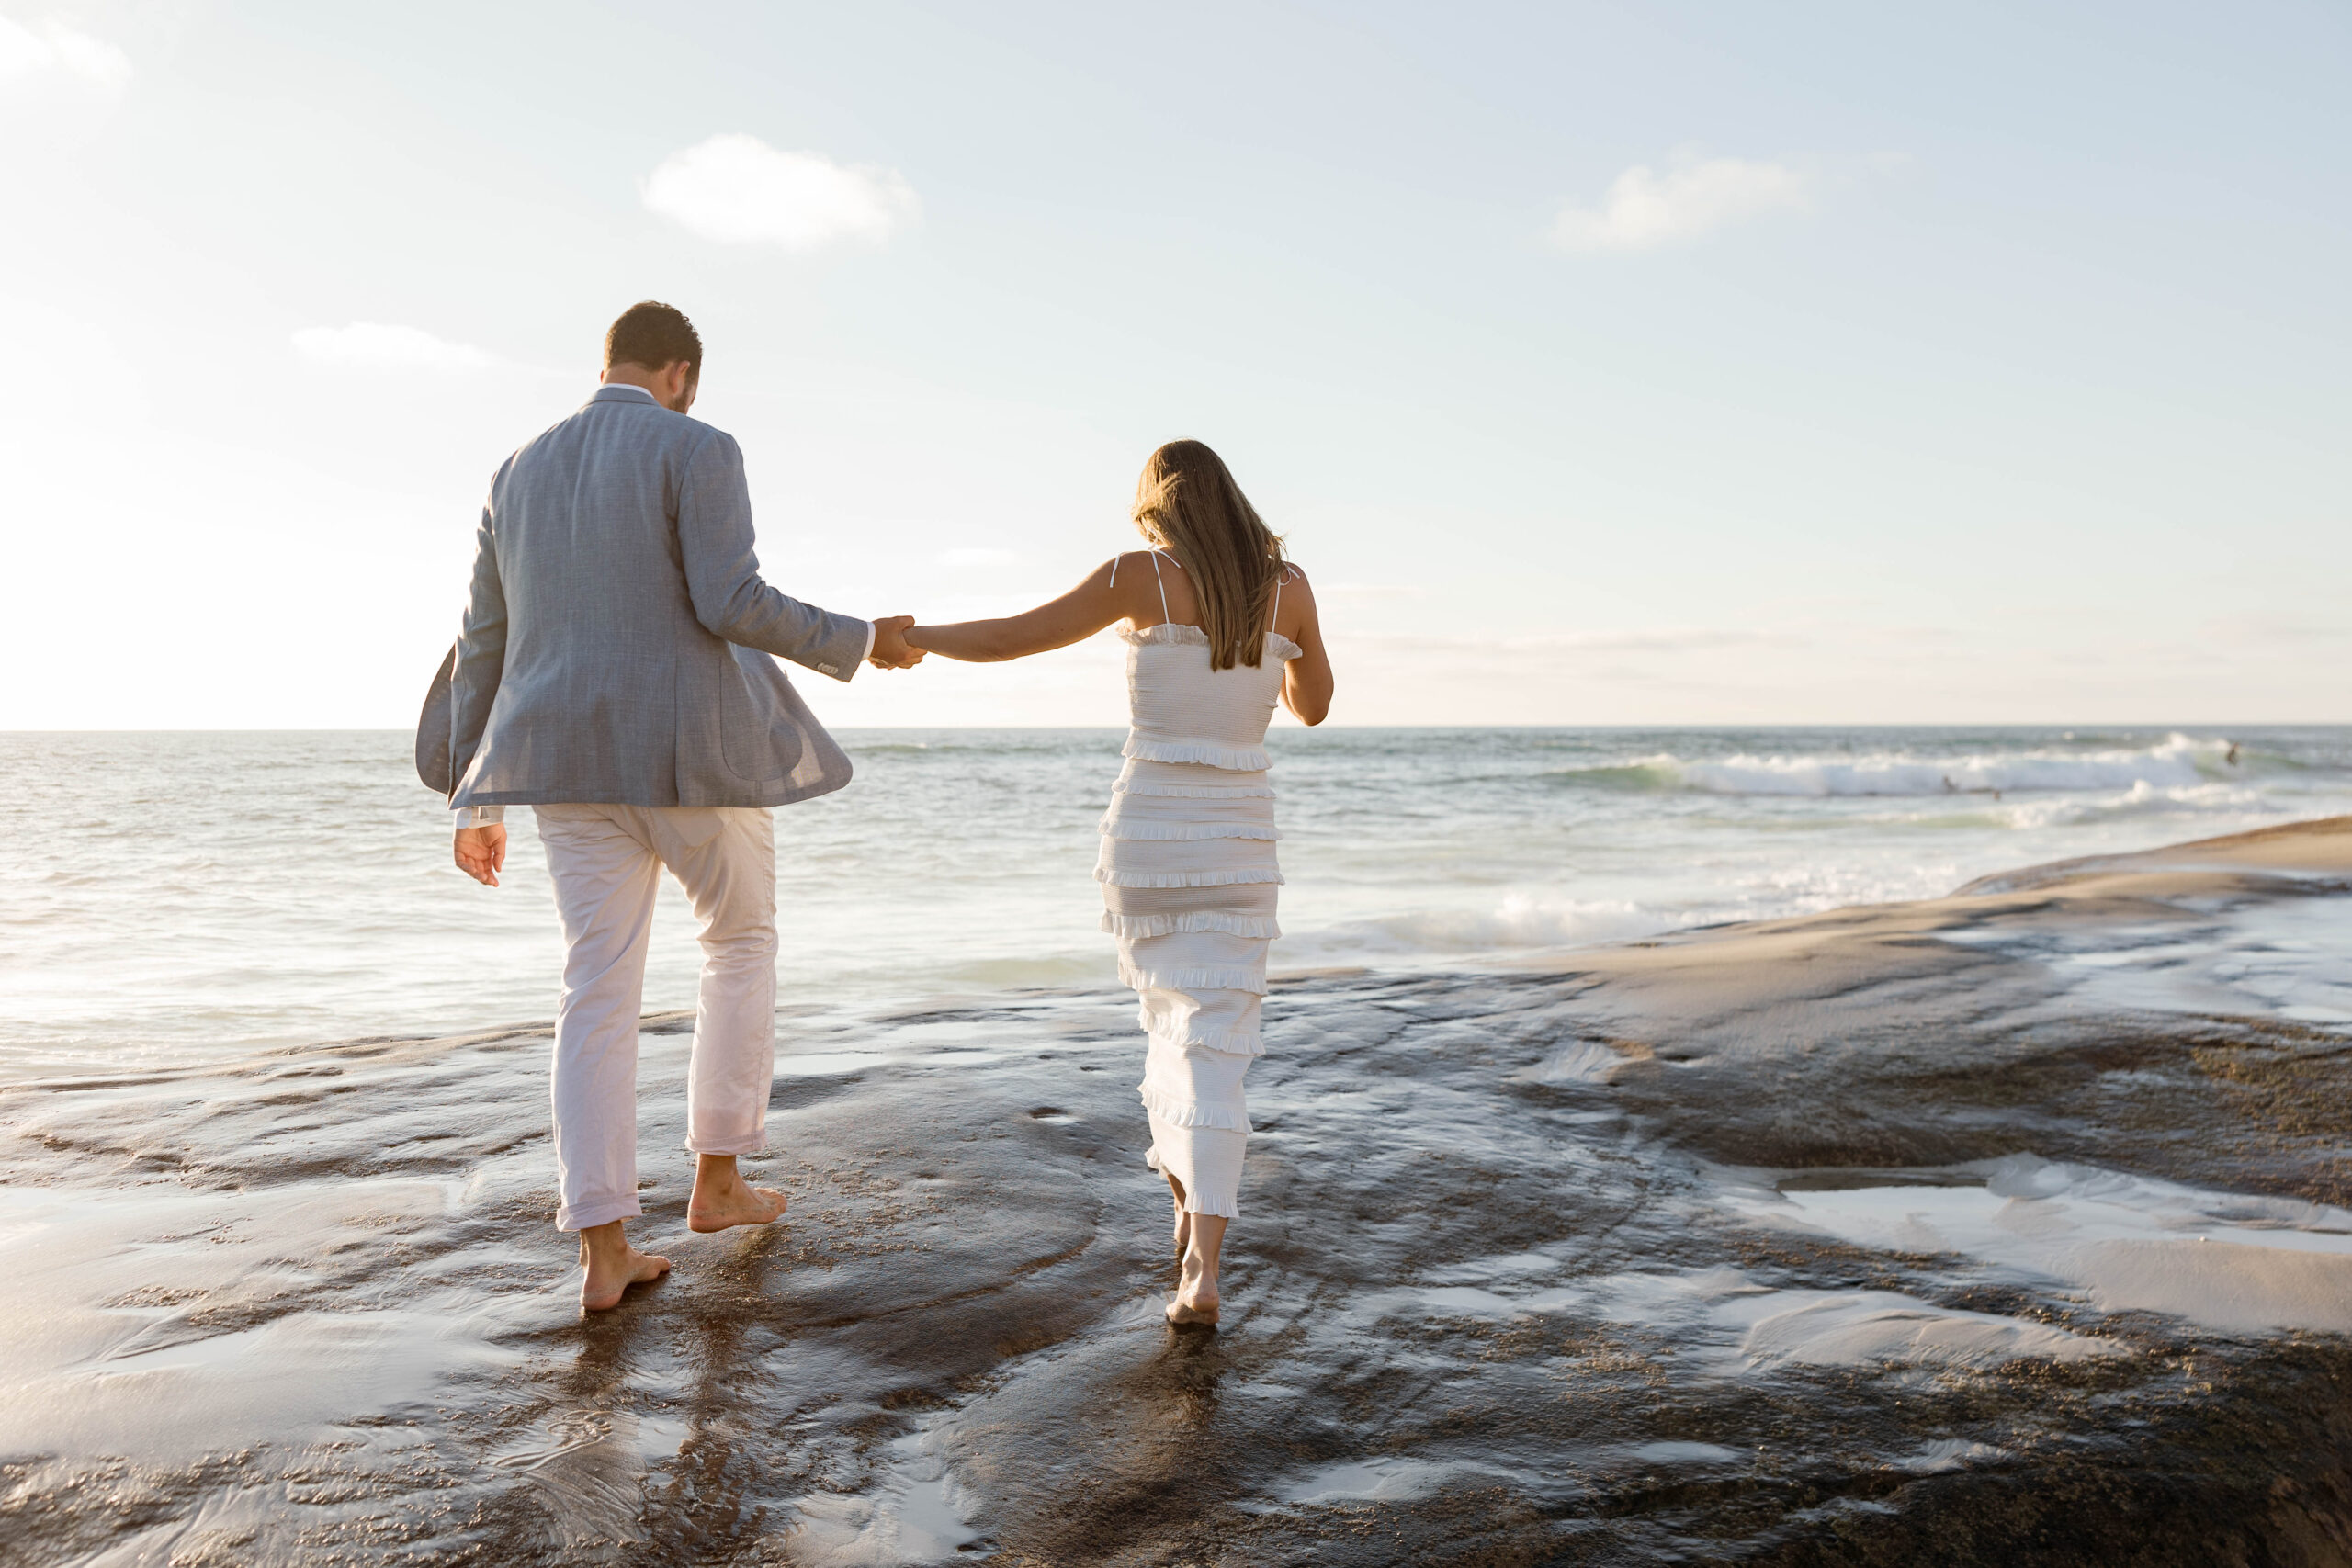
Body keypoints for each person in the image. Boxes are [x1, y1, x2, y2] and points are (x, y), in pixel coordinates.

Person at [414, 301, 923, 1313]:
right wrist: (862, 639)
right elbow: (730, 599)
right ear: (681, 372)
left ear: (608, 364)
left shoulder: (515, 470)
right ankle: (718, 1181)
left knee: (595, 991)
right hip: (694, 758)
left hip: (560, 766)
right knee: (740, 941)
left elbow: (483, 637)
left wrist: (472, 790)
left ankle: (604, 1250)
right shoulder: (698, 446)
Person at [905, 440, 1334, 1325]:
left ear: (1160, 507)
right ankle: (1203, 1267)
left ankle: (1187, 1216)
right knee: (1217, 1043)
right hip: (1240, 845)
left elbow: (1011, 638)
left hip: (1147, 841)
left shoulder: (1139, 577)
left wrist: (911, 638)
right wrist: (1276, 643)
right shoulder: (1288, 585)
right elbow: (1313, 702)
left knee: (1171, 1030)